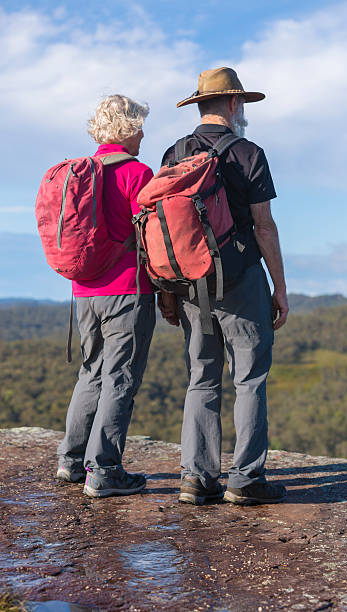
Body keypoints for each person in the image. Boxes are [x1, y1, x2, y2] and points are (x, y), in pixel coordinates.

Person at [159, 67, 289, 505]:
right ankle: (246, 479)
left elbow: (162, 230)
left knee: (202, 378)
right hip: (241, 278)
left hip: (190, 284)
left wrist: (167, 292)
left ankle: (196, 478)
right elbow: (264, 226)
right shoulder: (249, 153)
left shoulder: (173, 153)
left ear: (200, 104)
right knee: (249, 379)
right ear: (235, 104)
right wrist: (280, 287)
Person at [57, 95, 155, 498]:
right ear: (128, 129)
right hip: (127, 289)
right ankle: (105, 470)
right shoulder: (138, 173)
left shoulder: (82, 172)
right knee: (121, 377)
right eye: (140, 126)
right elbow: (152, 237)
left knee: (91, 371)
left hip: (83, 292)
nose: (144, 133)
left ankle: (71, 460)